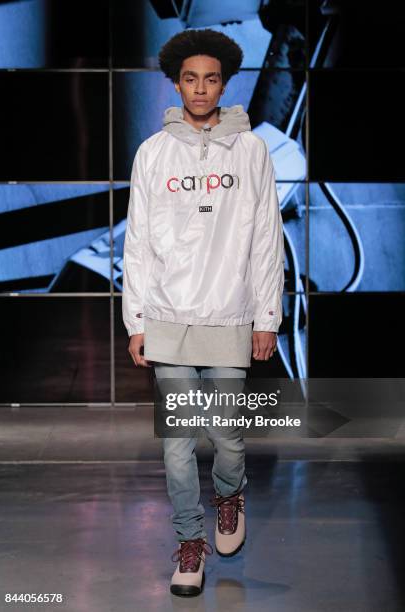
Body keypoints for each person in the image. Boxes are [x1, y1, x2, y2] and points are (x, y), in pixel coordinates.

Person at [122, 28, 285, 597]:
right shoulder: (153, 153)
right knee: (176, 446)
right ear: (175, 82)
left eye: (210, 78)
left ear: (224, 83)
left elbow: (267, 236)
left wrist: (267, 315)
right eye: (189, 78)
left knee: (229, 438)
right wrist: (136, 321)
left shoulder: (252, 150)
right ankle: (190, 544)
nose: (199, 88)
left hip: (230, 311)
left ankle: (229, 495)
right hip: (168, 315)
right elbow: (137, 242)